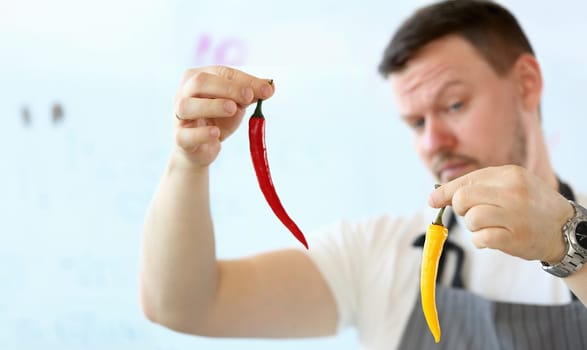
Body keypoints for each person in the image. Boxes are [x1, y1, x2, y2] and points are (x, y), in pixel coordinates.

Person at [139, 0, 587, 349]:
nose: (433, 142)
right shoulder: (379, 254)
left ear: (526, 83)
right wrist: (187, 165)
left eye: (453, 105)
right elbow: (182, 305)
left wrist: (569, 243)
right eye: (415, 123)